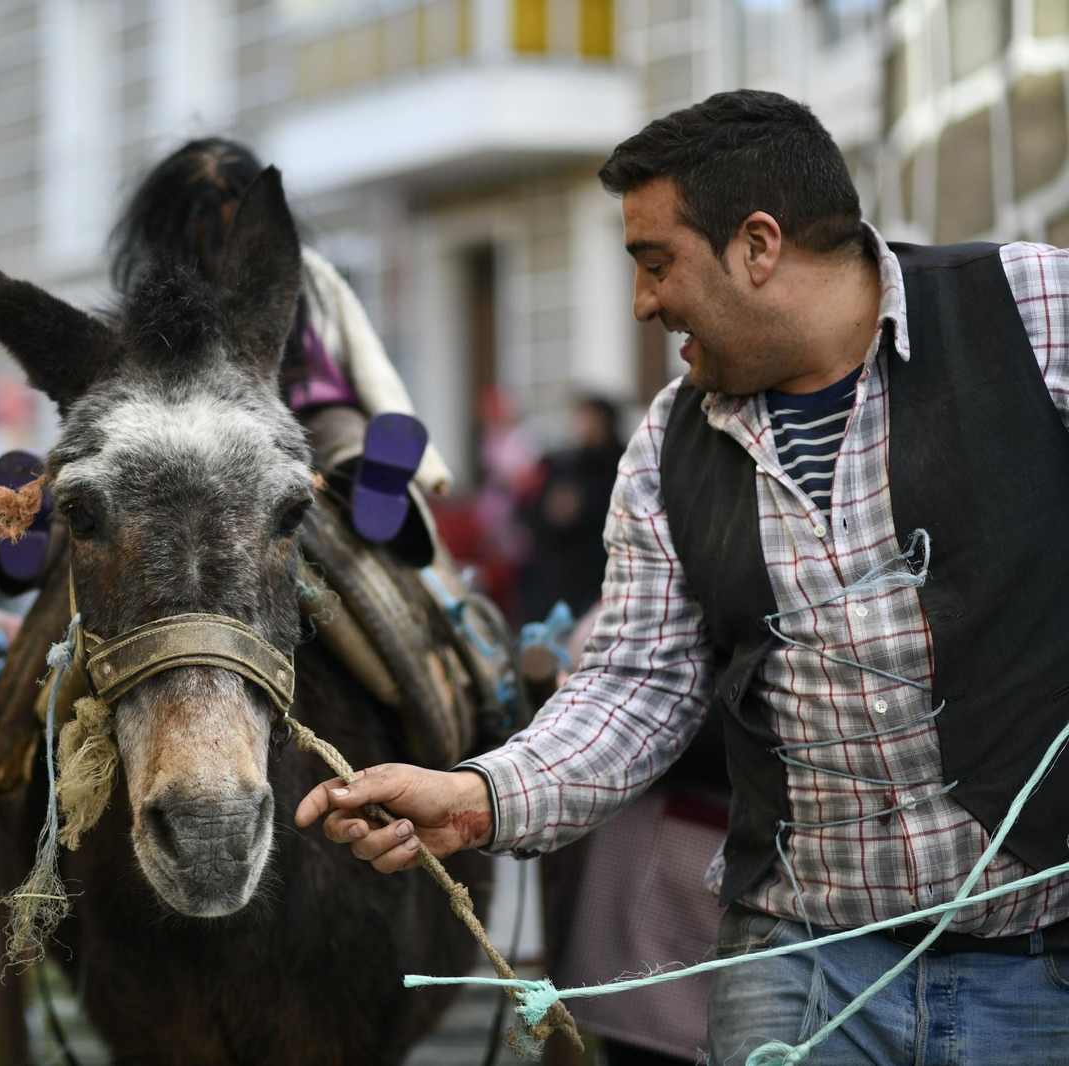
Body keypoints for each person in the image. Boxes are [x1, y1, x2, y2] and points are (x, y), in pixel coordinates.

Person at [297, 90, 1069, 1064]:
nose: (643, 303)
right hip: (798, 967)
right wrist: (475, 797)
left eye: (656, 262)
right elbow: (635, 685)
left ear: (758, 246)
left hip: (1044, 963)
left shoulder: (1033, 308)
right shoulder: (667, 443)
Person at [110, 137, 451, 563]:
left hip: (311, 406)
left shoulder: (310, 276)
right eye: (215, 242)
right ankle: (44, 529)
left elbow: (367, 359)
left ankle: (371, 487)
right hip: (221, 432)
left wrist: (422, 457)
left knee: (344, 435)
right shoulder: (170, 306)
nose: (229, 254)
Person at [516, 395, 626, 621]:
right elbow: (531, 509)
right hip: (559, 579)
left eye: (592, 421)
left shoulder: (622, 465)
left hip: (601, 574)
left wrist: (583, 506)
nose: (585, 428)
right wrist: (551, 510)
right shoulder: (563, 464)